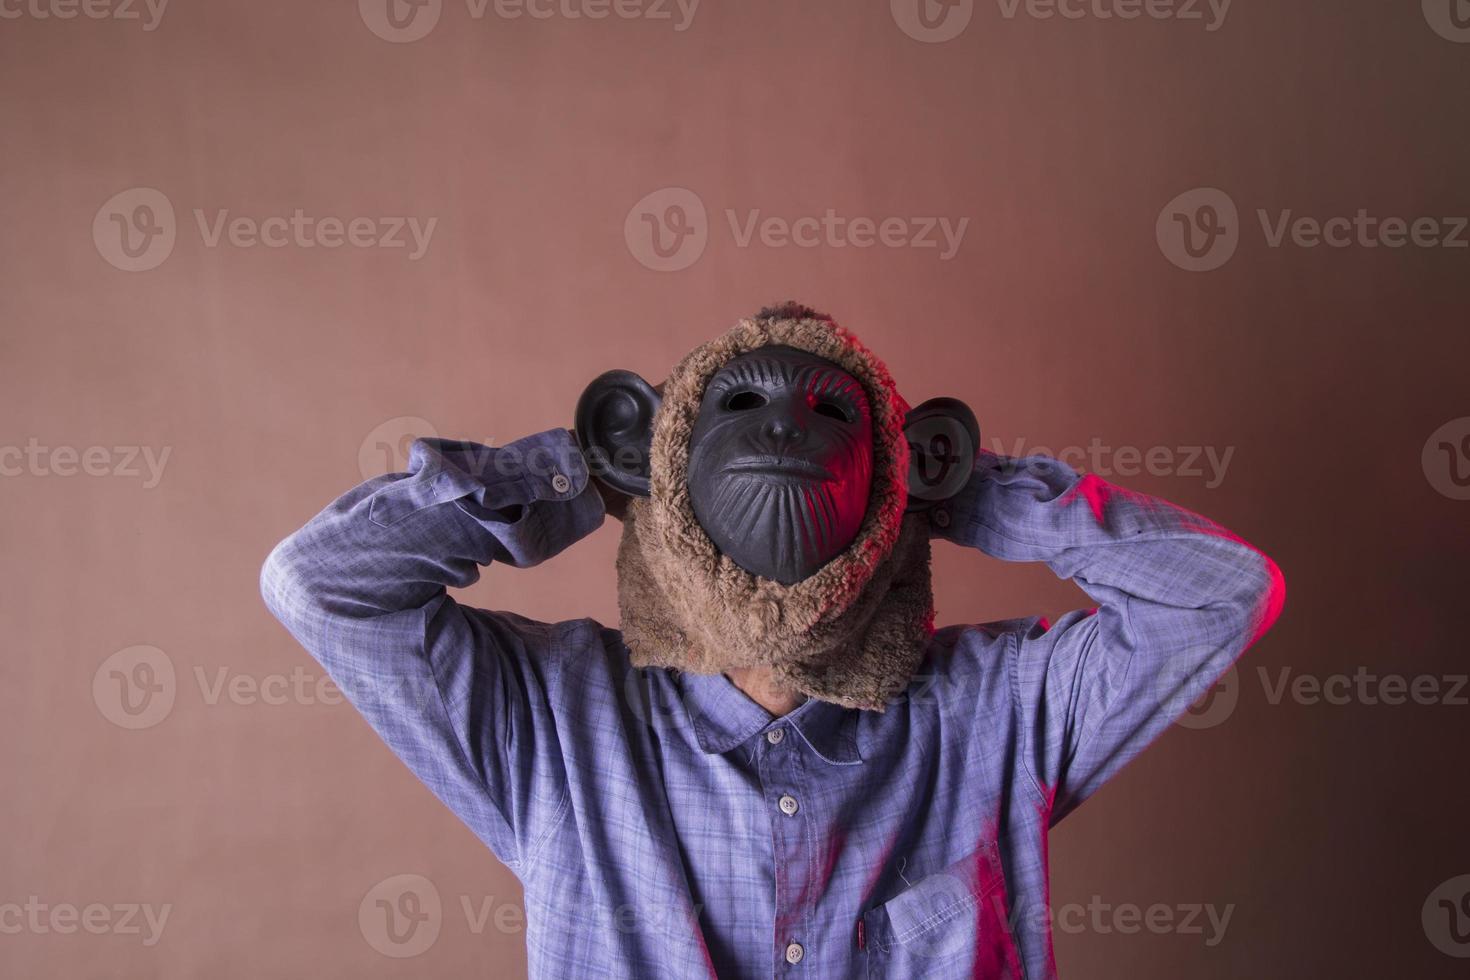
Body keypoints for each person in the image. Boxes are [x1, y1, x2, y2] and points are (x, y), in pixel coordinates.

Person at [260, 305, 1284, 978]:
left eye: (832, 414)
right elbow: (321, 585)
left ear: (907, 462)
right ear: (656, 447)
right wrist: (591, 473)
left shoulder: (998, 713)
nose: (788, 429)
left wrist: (953, 492)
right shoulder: (553, 723)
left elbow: (1222, 595)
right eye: (741, 406)